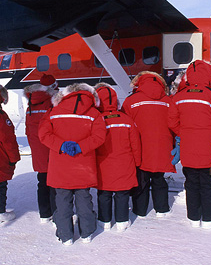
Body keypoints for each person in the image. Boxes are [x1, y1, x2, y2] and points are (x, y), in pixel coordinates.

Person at [38, 83, 106, 245]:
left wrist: (61, 145)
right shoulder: (93, 113)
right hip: (84, 165)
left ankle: (65, 235)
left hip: (60, 165)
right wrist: (81, 146)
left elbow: (43, 134)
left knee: (62, 201)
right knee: (84, 199)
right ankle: (86, 233)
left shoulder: (54, 111)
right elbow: (99, 137)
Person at [168, 60, 211, 229]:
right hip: (208, 151)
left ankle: (193, 218)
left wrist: (184, 134)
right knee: (208, 185)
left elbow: (172, 122)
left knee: (191, 183)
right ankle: (209, 219)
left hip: (188, 151)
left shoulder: (178, 97)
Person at [121, 71, 176, 218]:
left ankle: (140, 210)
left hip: (140, 146)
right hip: (163, 146)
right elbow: (174, 123)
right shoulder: (168, 100)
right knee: (159, 178)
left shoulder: (130, 101)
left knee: (141, 179)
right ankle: (162, 209)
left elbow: (124, 123)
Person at [94, 83, 141, 232]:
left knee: (104, 194)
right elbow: (136, 143)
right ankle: (122, 221)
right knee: (122, 194)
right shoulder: (126, 119)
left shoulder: (96, 120)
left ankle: (104, 220)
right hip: (124, 163)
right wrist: (137, 162)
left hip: (103, 164)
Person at [24, 74, 58, 223]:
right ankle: (57, 212)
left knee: (42, 181)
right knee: (55, 183)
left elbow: (28, 128)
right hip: (51, 147)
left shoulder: (31, 103)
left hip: (37, 148)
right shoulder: (52, 103)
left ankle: (44, 214)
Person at [0, 85, 20, 223]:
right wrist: (13, 159)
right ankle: (1, 213)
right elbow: (8, 141)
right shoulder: (1, 117)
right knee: (1, 185)